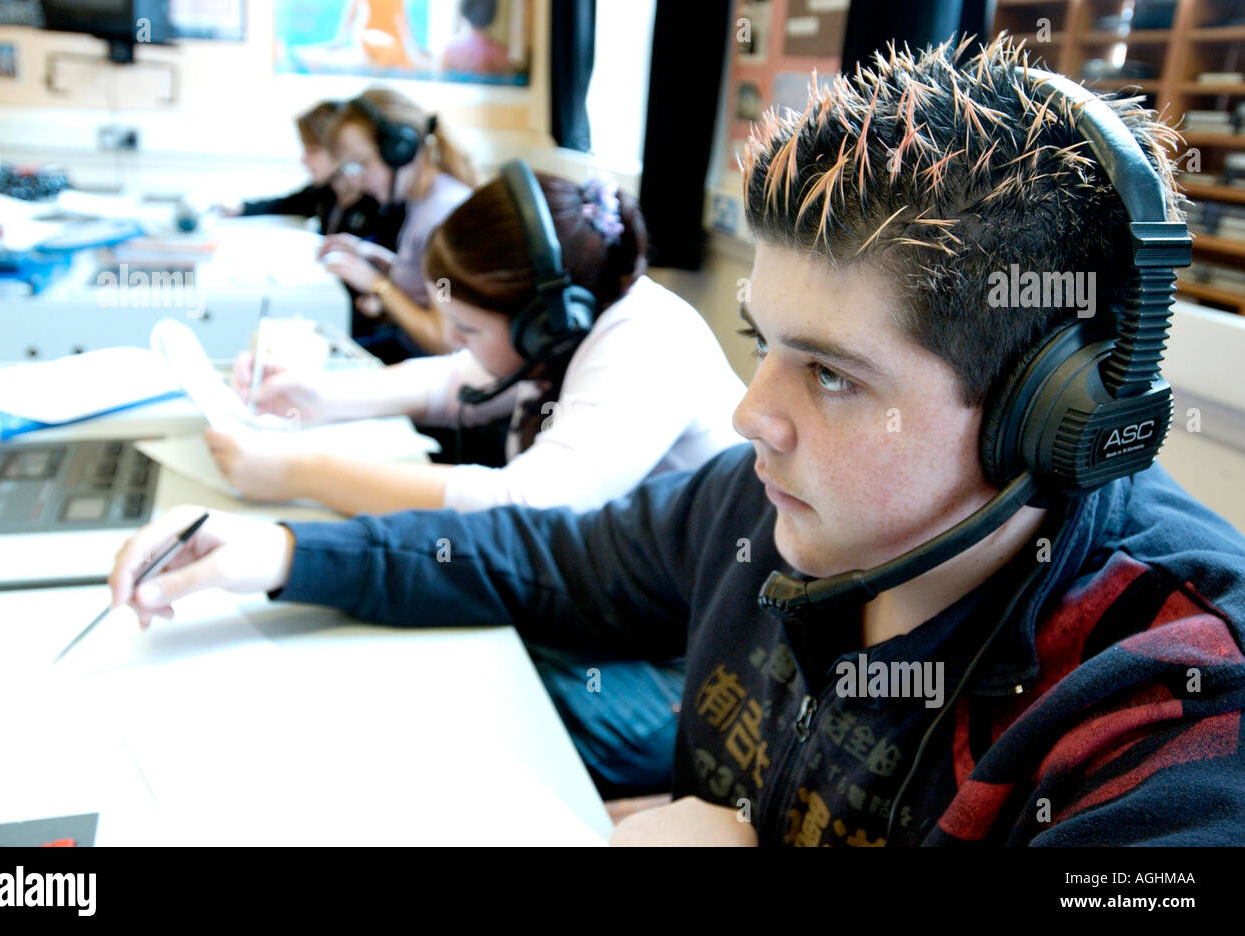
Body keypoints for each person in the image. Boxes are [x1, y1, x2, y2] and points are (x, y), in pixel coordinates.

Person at [109, 36, 1245, 845]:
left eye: (833, 375)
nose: (755, 412)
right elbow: (538, 557)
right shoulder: (753, 506)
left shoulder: (1179, 702)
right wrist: (283, 557)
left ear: (1047, 413)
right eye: (765, 342)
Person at [203, 162, 748, 797]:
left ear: (544, 324)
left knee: (452, 726)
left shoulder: (646, 343)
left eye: (469, 328)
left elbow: (523, 508)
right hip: (613, 612)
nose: (457, 343)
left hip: (691, 661)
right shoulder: (577, 323)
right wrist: (315, 398)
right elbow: (455, 379)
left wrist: (303, 471)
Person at [316, 87, 475, 362]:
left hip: (427, 368)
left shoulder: (442, 214)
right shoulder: (422, 201)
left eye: (361, 164)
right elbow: (430, 285)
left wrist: (378, 285)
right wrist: (374, 257)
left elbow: (444, 338)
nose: (356, 180)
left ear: (399, 150)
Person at [217, 101, 401, 249]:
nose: (304, 161)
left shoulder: (378, 198)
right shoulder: (324, 192)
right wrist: (241, 208)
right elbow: (285, 204)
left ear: (339, 150)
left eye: (312, 151)